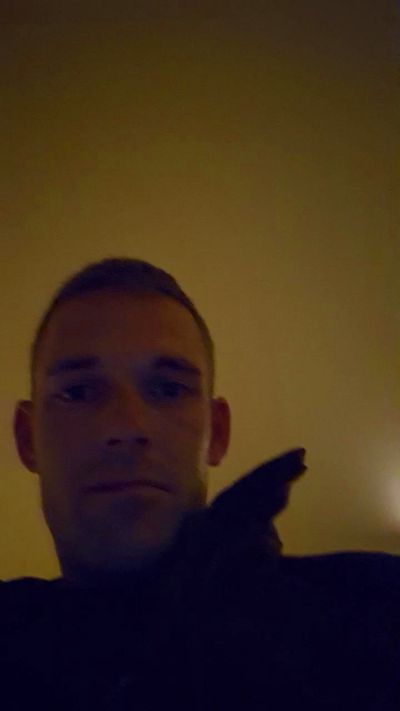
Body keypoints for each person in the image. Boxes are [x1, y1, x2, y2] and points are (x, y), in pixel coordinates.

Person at [2, 257, 399, 710]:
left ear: (218, 431)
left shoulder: (373, 609)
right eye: (78, 392)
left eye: (168, 390)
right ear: (26, 439)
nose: (127, 426)